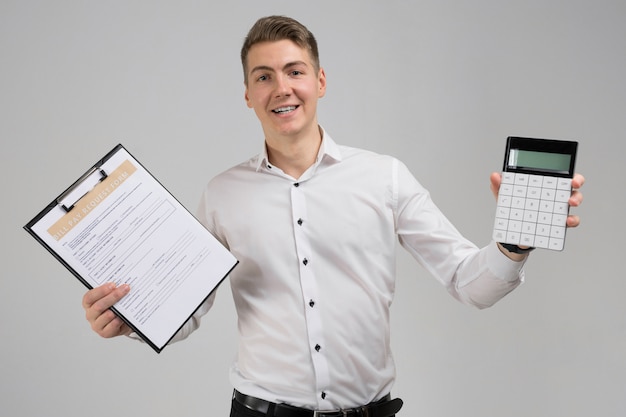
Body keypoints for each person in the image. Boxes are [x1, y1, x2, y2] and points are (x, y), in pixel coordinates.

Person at [82, 15, 585, 417]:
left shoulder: (385, 177)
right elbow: (188, 311)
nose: (282, 88)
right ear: (248, 95)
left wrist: (514, 244)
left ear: (320, 81)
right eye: (264, 76)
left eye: (295, 71)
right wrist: (129, 319)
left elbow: (467, 282)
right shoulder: (221, 194)